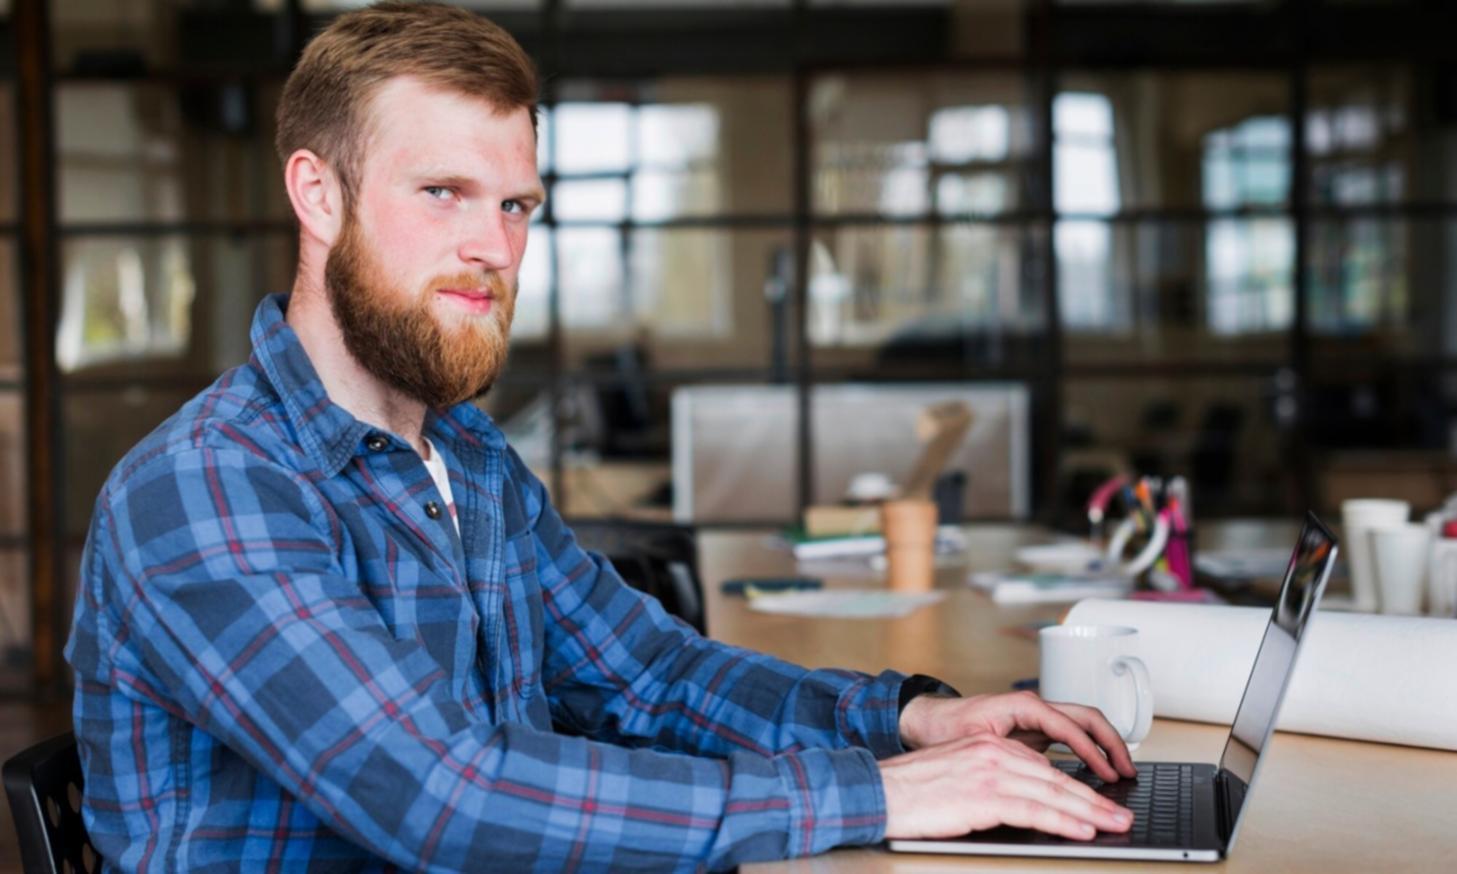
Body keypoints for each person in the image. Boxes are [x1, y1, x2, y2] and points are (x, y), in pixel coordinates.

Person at [65, 3, 1136, 870]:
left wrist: (904, 725)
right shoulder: (205, 488)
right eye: (442, 193)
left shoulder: (469, 457)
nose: (490, 246)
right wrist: (870, 794)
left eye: (515, 206)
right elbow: (450, 798)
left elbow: (647, 674)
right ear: (319, 194)